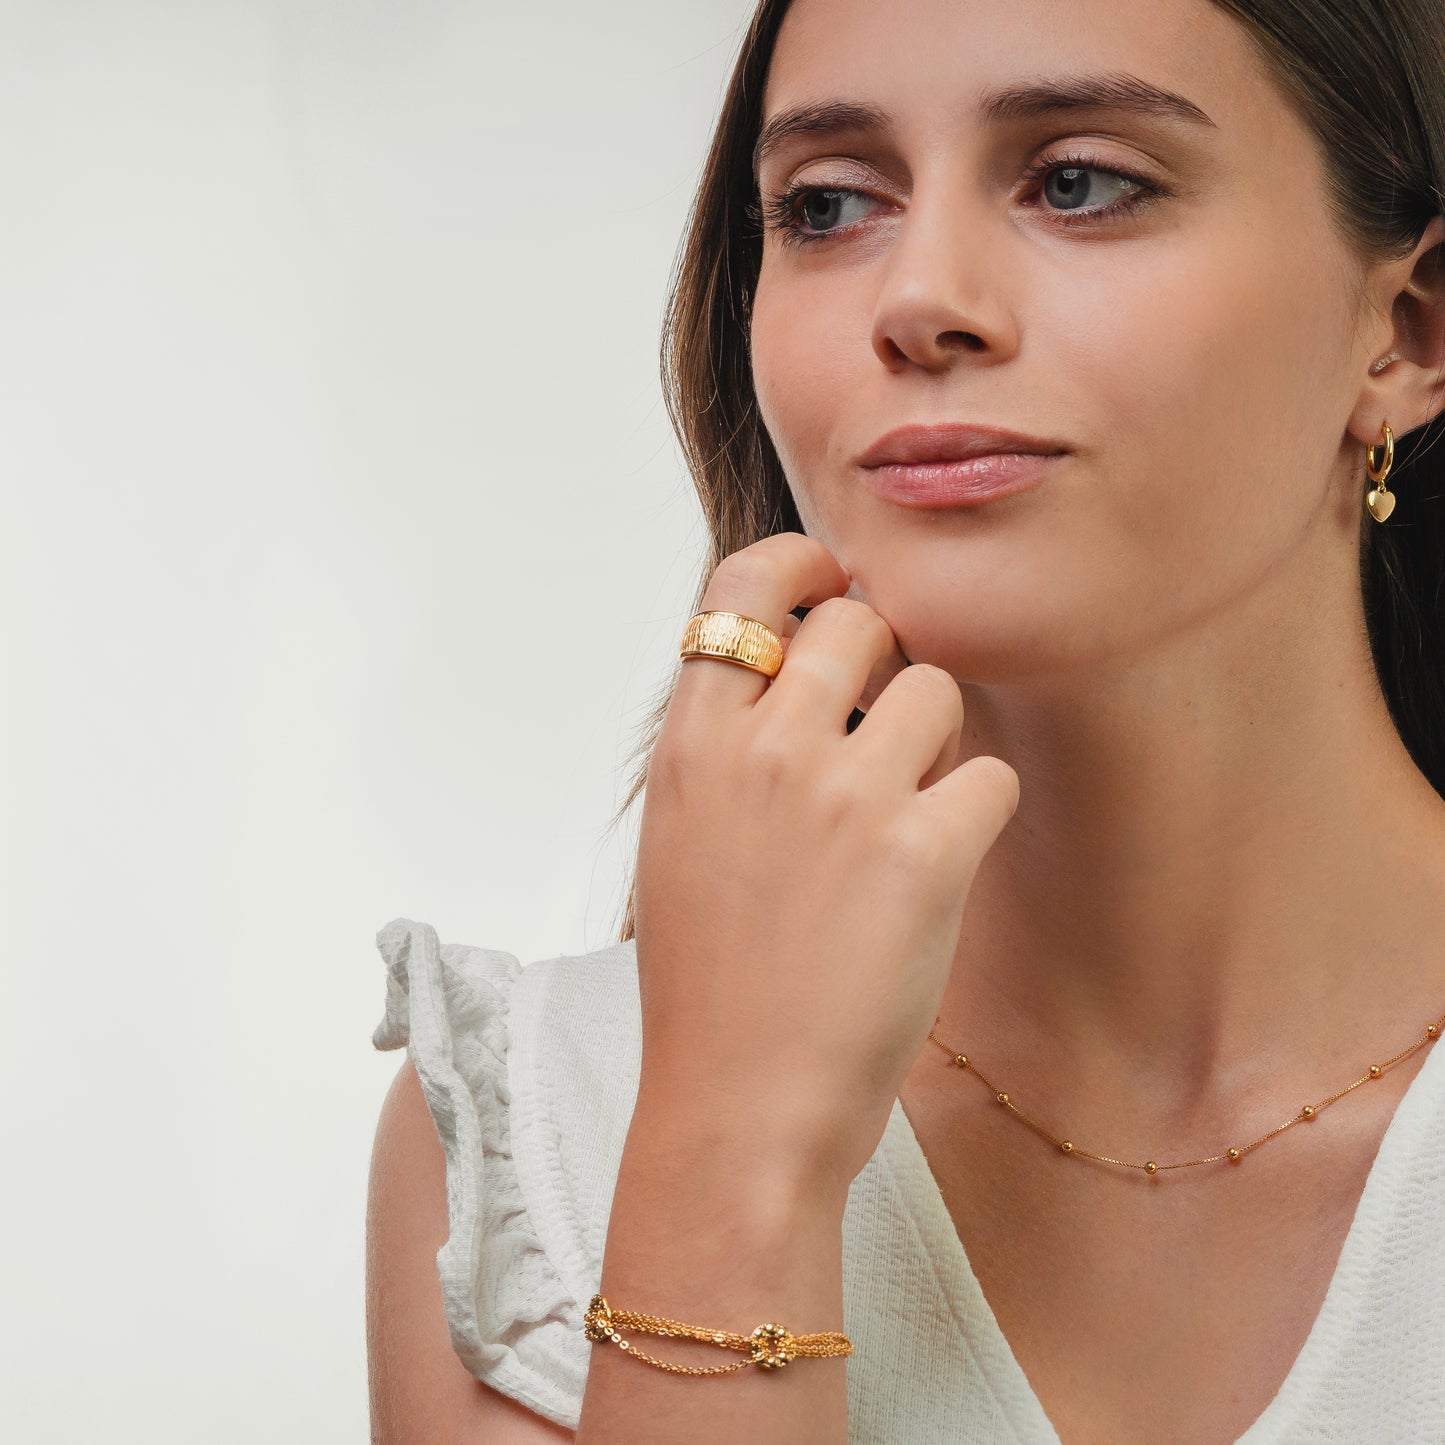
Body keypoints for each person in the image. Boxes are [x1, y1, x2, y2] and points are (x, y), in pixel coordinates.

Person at [363, 0, 1445, 1439]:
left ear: (1405, 333)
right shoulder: (545, 1131)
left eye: (1080, 181)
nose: (918, 297)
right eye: (827, 205)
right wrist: (735, 1155)